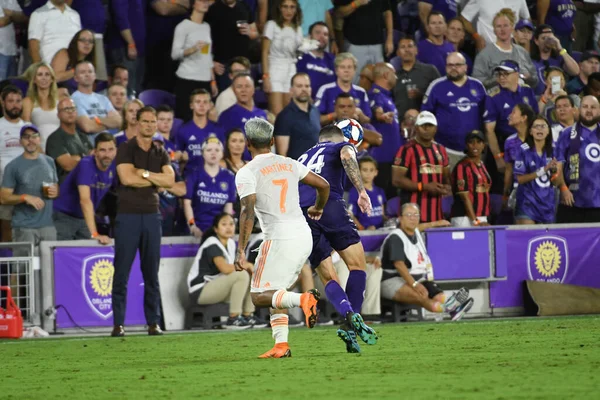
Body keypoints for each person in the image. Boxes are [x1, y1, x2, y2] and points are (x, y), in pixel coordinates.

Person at [233, 118, 330, 358]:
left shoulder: (246, 172)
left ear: (247, 143)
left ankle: (304, 299)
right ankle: (281, 345)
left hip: (279, 237)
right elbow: (324, 185)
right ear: (273, 141)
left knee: (258, 296)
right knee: (277, 291)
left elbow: (247, 210)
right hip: (303, 234)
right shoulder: (289, 164)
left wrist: (241, 249)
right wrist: (318, 207)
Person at [297, 124, 378, 354]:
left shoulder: (301, 156)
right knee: (357, 265)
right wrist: (361, 191)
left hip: (301, 213)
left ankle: (347, 315)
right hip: (328, 204)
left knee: (327, 275)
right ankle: (353, 326)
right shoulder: (340, 146)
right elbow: (346, 155)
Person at [111, 106, 175, 337]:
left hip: (151, 215)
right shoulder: (126, 148)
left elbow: (170, 180)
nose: (149, 125)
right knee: (122, 272)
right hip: (127, 215)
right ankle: (118, 324)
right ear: (136, 123)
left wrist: (145, 174)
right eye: (145, 121)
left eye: (152, 121)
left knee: (151, 272)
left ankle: (153, 323)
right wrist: (154, 179)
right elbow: (126, 178)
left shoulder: (160, 150)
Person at [379, 202, 474, 320]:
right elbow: (399, 264)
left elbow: (420, 227)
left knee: (436, 293)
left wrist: (437, 223)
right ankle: (449, 309)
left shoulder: (415, 232)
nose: (412, 218)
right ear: (400, 218)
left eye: (416, 215)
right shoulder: (395, 237)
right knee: (420, 295)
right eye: (408, 215)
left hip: (411, 277)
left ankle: (451, 306)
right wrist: (414, 284)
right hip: (390, 280)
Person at [187, 213, 258, 329]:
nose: (229, 227)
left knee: (251, 275)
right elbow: (224, 268)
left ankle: (248, 315)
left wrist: (248, 267)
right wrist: (247, 265)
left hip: (217, 288)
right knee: (242, 274)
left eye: (231, 224)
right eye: (224, 224)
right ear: (216, 229)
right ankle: (233, 318)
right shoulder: (211, 243)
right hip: (200, 291)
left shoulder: (230, 243)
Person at [421, 52, 487, 168]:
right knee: (446, 184)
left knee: (475, 184)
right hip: (445, 149)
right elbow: (425, 116)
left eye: (458, 65)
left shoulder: (477, 86)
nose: (453, 68)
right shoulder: (436, 86)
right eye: (450, 65)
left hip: (475, 150)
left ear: (466, 67)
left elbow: (486, 115)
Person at [0, 124, 58, 253]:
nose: (30, 140)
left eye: (34, 136)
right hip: (24, 226)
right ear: (21, 141)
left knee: (50, 270)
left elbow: (55, 186)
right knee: (22, 270)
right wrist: (24, 197)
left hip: (47, 225)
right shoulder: (13, 166)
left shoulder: (49, 161)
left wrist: (55, 191)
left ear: (39, 139)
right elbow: (3, 198)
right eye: (26, 137)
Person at [483, 60, 538, 195]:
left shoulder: (527, 91)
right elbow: (489, 130)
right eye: (499, 74)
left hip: (527, 143)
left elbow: (535, 117)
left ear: (517, 74)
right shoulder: (493, 96)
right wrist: (498, 158)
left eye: (506, 74)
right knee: (502, 188)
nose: (501, 77)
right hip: (503, 143)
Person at [52, 133, 117, 242]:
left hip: (85, 217)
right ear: (95, 152)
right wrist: (95, 234)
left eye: (111, 149)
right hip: (64, 216)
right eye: (102, 150)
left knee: (89, 253)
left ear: (116, 150)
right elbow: (85, 200)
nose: (107, 154)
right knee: (64, 253)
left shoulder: (115, 166)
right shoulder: (86, 164)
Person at [392, 111, 451, 223]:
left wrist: (446, 187)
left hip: (436, 214)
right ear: (416, 128)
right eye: (423, 125)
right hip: (413, 215)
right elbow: (397, 180)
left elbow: (446, 177)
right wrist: (424, 186)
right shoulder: (406, 150)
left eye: (430, 125)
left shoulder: (441, 150)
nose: (426, 129)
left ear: (436, 128)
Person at [554, 96, 600, 223]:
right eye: (585, 107)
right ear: (578, 110)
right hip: (572, 200)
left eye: (593, 107)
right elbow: (558, 165)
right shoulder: (567, 133)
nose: (589, 110)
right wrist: (563, 188)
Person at [171, 0, 218, 121]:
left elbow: (207, 56)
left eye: (207, 1)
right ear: (193, 4)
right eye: (201, 1)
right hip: (187, 79)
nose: (205, 3)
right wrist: (192, 49)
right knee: (186, 117)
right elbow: (174, 54)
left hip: (204, 80)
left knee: (204, 118)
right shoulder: (183, 26)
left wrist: (212, 81)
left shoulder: (206, 26)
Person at [472, 8, 538, 90]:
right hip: (496, 99)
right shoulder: (484, 55)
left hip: (520, 98)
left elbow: (535, 80)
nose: (502, 29)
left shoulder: (522, 52)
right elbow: (477, 83)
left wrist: (528, 77)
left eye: (506, 25)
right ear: (494, 30)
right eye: (499, 26)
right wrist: (498, 79)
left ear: (512, 28)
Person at [183, 137, 235, 237]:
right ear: (203, 153)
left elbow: (228, 206)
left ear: (222, 153)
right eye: (209, 150)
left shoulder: (229, 176)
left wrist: (228, 228)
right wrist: (192, 226)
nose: (213, 153)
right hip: (198, 228)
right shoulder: (194, 175)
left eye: (217, 150)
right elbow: (187, 203)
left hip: (220, 230)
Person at [333, 0, 394, 84]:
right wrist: (356, 3)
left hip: (377, 44)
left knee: (380, 80)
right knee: (354, 81)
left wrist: (389, 38)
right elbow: (338, 13)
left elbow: (387, 12)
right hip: (354, 44)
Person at [513, 116, 558, 224]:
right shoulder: (523, 150)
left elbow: (556, 182)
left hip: (547, 205)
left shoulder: (554, 151)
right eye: (536, 127)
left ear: (548, 131)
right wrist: (543, 170)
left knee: (546, 240)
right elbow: (520, 179)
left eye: (543, 126)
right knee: (527, 239)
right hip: (527, 204)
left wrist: (554, 172)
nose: (539, 129)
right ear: (531, 131)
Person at [262, 0, 304, 115]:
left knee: (288, 114)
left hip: (291, 71)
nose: (288, 11)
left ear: (296, 10)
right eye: (285, 7)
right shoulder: (271, 25)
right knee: (277, 115)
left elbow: (298, 52)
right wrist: (265, 76)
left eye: (292, 7)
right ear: (279, 8)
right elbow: (265, 52)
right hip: (275, 71)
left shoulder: (298, 29)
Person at [368, 62, 401, 199]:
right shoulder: (376, 94)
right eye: (394, 73)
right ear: (387, 74)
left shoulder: (387, 96)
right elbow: (377, 111)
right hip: (382, 158)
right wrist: (381, 116)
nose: (397, 77)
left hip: (391, 157)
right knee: (384, 196)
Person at [217, 74, 268, 158]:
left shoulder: (262, 114)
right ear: (233, 90)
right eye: (239, 86)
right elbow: (222, 144)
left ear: (253, 89)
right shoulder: (226, 115)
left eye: (247, 86)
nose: (243, 90)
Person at [72, 61, 122, 144]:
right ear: (76, 78)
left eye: (90, 71)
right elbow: (87, 127)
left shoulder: (103, 98)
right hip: (89, 146)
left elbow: (119, 121)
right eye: (83, 72)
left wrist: (97, 120)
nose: (87, 74)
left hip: (109, 145)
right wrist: (108, 123)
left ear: (94, 76)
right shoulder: (74, 99)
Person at [314, 52, 372, 126]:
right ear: (336, 70)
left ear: (355, 70)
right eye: (342, 67)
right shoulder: (325, 90)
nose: (346, 71)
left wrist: (360, 114)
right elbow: (315, 119)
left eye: (349, 67)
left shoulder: (361, 92)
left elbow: (368, 120)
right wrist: (336, 114)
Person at [176, 89, 226, 173]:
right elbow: (177, 155)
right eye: (198, 102)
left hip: (213, 175)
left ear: (210, 105)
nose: (201, 105)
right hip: (190, 175)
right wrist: (181, 158)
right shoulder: (182, 130)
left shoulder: (218, 129)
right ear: (191, 105)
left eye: (205, 102)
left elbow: (223, 155)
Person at [45, 98, 93, 183]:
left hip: (86, 182)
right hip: (66, 185)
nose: (70, 112)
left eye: (72, 108)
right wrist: (85, 156)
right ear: (58, 115)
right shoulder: (55, 138)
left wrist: (78, 157)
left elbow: (95, 157)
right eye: (66, 109)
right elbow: (68, 165)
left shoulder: (83, 136)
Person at [274, 73, 320, 159]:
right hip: (296, 170)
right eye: (299, 86)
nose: (304, 89)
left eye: (307, 86)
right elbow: (282, 155)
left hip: (316, 168)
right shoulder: (284, 117)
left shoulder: (315, 111)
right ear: (291, 90)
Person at [0, 85, 25, 242]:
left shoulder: (28, 127)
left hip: (26, 187)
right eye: (10, 101)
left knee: (25, 230)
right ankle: (6, 265)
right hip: (5, 187)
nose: (15, 105)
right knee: (6, 229)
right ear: (2, 102)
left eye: (18, 101)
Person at [393, 37, 440, 120]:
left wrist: (421, 95)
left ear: (416, 50)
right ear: (398, 53)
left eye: (410, 46)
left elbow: (440, 95)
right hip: (400, 122)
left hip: (425, 121)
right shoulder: (393, 75)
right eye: (403, 47)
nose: (407, 50)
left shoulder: (430, 70)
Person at [451, 130, 492, 227]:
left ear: (483, 145)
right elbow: (465, 197)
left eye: (479, 142)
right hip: (464, 218)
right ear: (466, 145)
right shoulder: (462, 166)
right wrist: (475, 221)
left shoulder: (482, 165)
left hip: (481, 216)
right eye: (471, 142)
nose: (475, 145)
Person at [459, 0, 529, 50]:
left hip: (511, 49)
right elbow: (464, 19)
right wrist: (476, 37)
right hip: (486, 49)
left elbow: (527, 21)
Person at [530, 24, 579, 96]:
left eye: (550, 38)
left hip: (558, 97)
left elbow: (575, 71)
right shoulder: (530, 60)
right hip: (539, 98)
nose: (547, 41)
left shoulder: (558, 59)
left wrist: (560, 49)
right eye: (543, 38)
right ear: (536, 41)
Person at [502, 104, 535, 208]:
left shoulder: (538, 137)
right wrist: (505, 193)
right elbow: (509, 169)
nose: (510, 115)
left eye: (513, 112)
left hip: (539, 189)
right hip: (519, 190)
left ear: (523, 118)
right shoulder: (509, 141)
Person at [21, 63, 60, 150]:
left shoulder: (60, 102)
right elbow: (26, 129)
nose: (44, 78)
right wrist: (38, 150)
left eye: (47, 74)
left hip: (60, 148)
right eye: (40, 75)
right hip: (38, 148)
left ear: (52, 79)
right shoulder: (28, 101)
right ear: (34, 80)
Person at [296, 21, 336, 100]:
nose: (322, 36)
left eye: (325, 34)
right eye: (318, 33)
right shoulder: (301, 58)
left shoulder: (333, 60)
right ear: (310, 36)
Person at [348, 156, 386, 230]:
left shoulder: (380, 191)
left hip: (380, 231)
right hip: (364, 233)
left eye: (371, 170)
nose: (368, 173)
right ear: (358, 172)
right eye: (365, 170)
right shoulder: (355, 192)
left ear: (376, 172)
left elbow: (382, 214)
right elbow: (351, 215)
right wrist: (362, 229)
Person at [417, 12, 455, 76]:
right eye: (433, 23)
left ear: (445, 26)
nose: (437, 26)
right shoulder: (420, 47)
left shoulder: (450, 47)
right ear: (428, 27)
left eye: (440, 23)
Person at [0, 0, 25, 81]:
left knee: (11, 87)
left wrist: (10, 15)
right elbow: (1, 22)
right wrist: (13, 15)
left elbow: (22, 16)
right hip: (1, 52)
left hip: (11, 50)